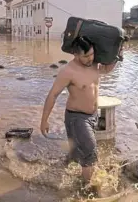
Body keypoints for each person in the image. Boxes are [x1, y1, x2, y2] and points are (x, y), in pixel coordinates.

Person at [40, 36, 124, 183]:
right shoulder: (68, 71)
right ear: (75, 54)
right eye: (86, 56)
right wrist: (44, 121)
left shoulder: (95, 64)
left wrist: (118, 56)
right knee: (90, 151)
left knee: (75, 153)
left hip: (93, 116)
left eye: (92, 54)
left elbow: (106, 69)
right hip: (76, 118)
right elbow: (52, 95)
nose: (90, 58)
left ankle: (64, 173)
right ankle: (87, 190)